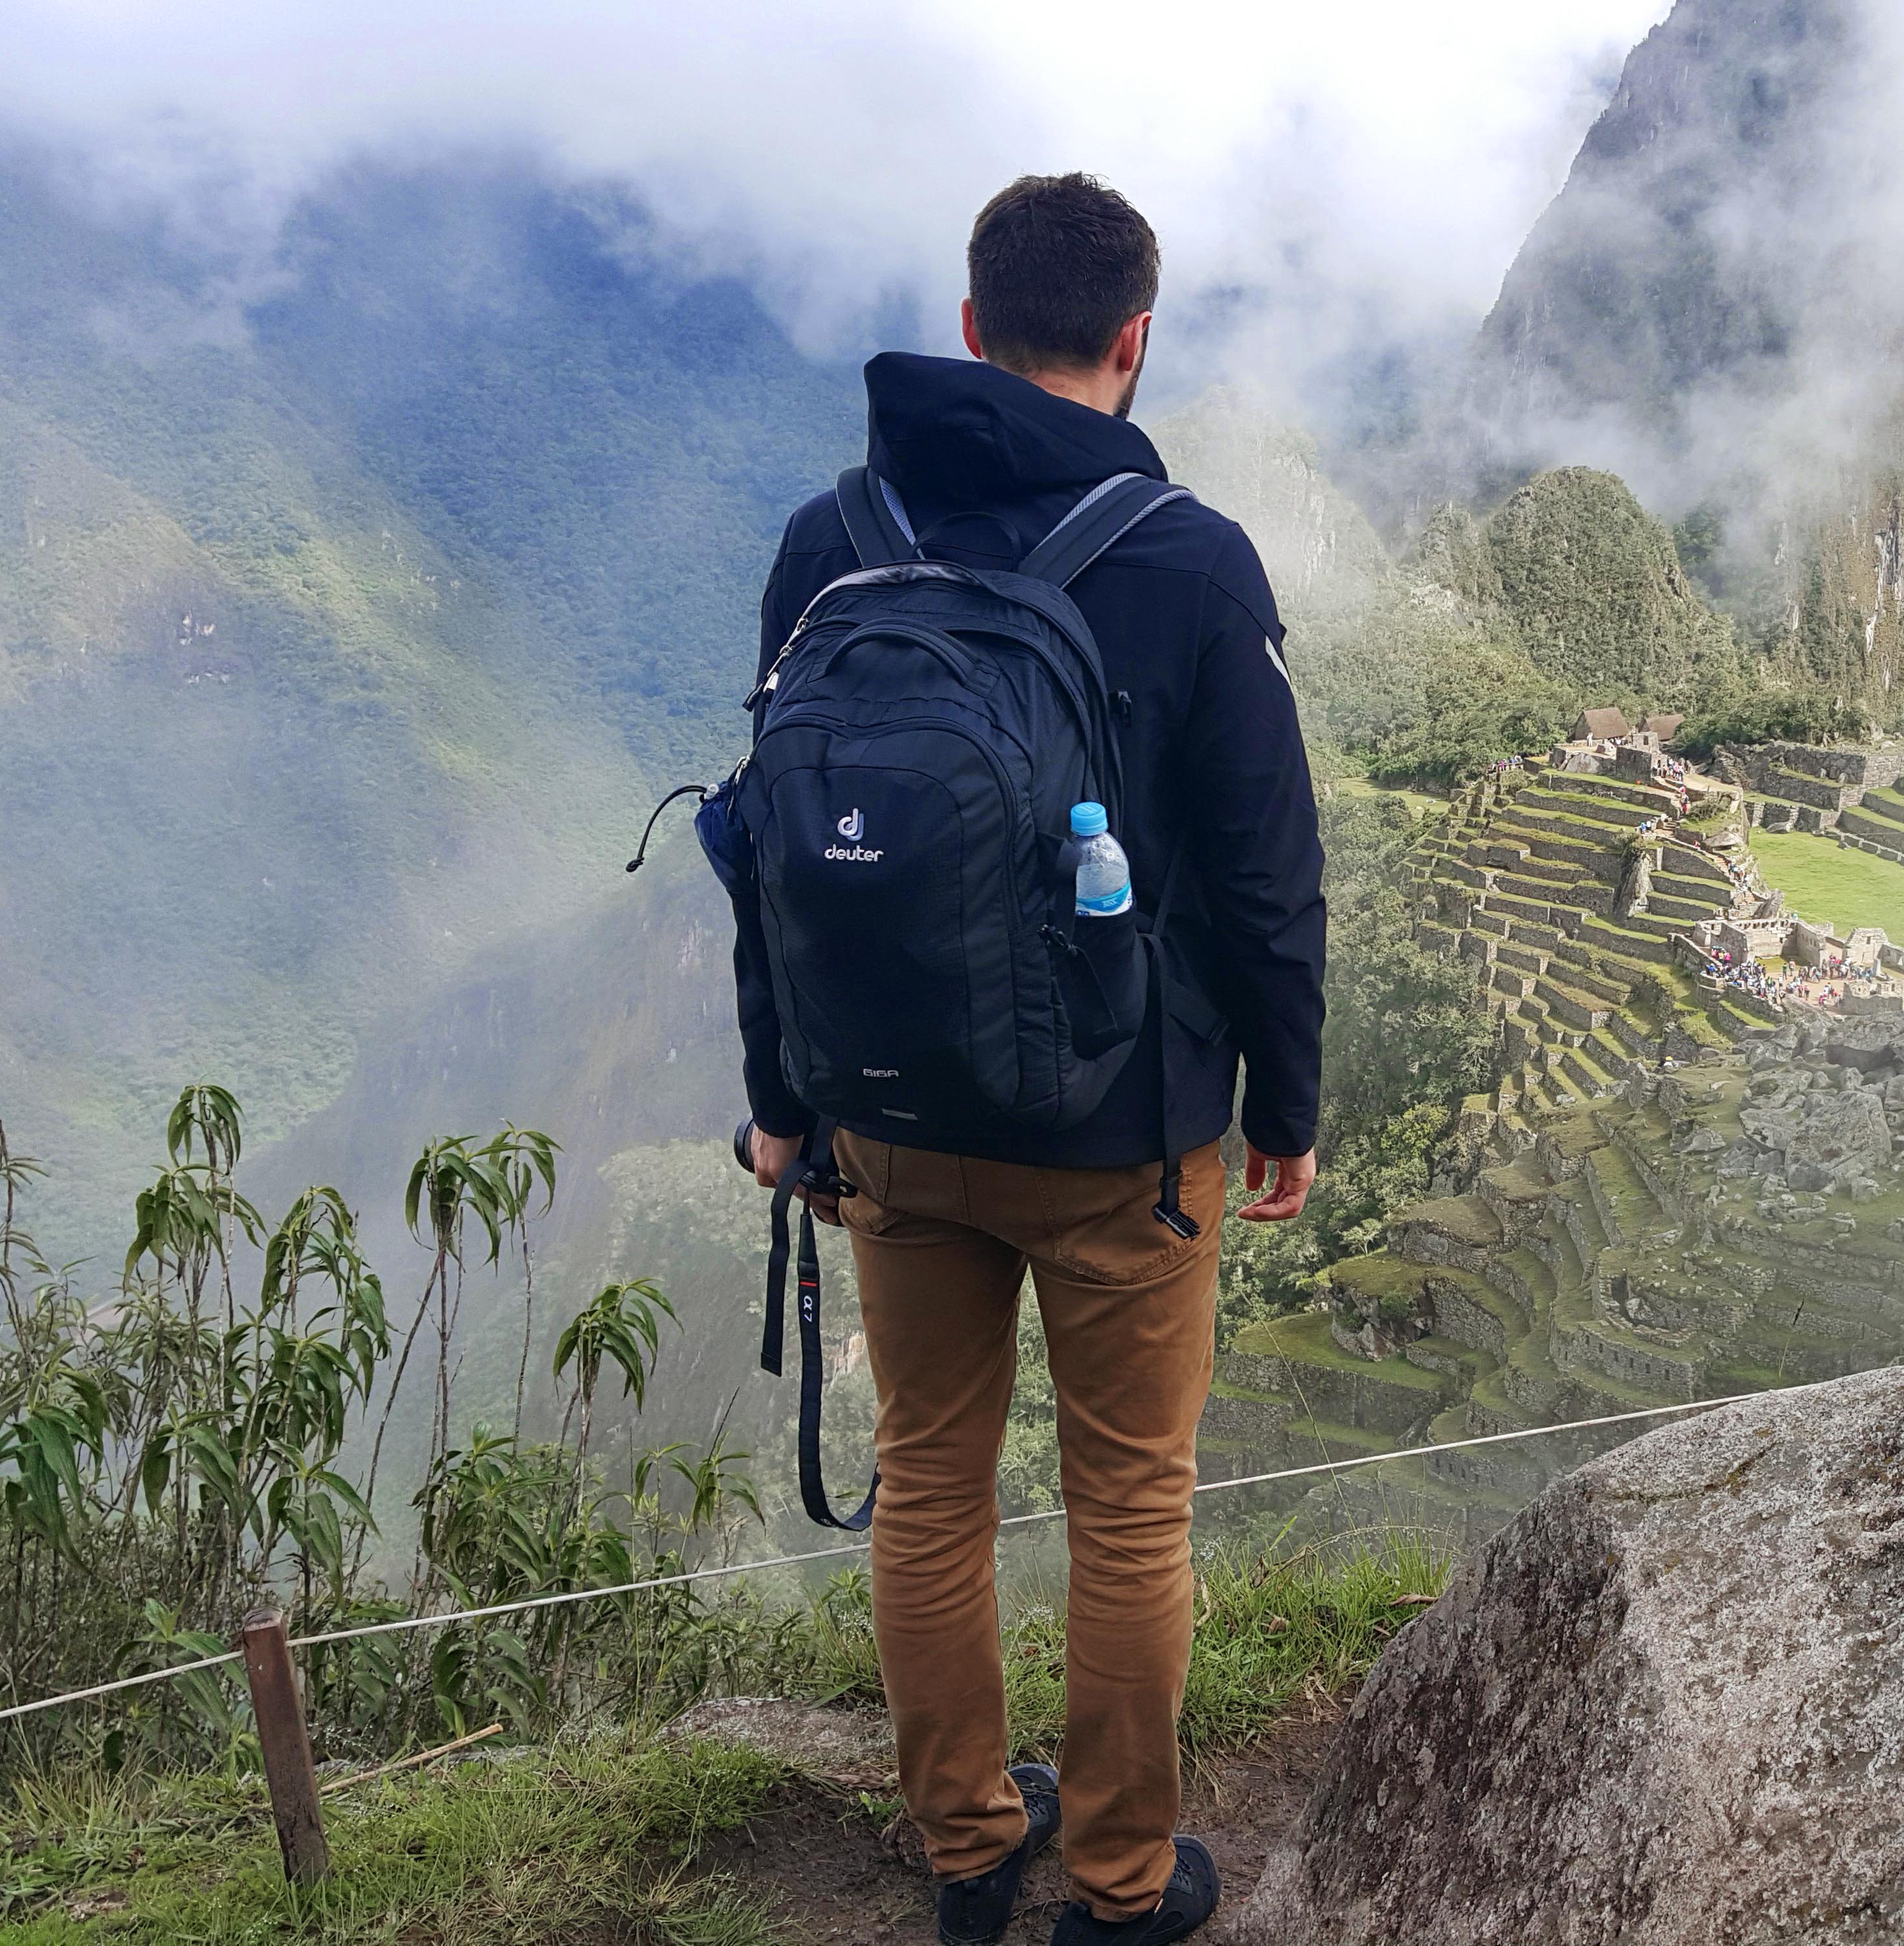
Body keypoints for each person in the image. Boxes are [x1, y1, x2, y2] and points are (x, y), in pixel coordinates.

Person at [735, 175, 1320, 1946]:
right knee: (1131, 1496)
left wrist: (785, 1104)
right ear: (1133, 346)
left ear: (971, 327)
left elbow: (772, 853)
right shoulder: (1193, 559)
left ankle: (972, 1850)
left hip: (894, 1122)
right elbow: (1266, 871)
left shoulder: (830, 543)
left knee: (931, 1476)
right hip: (1126, 1131)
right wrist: (1281, 1110)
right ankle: (1126, 1887)